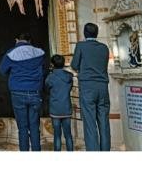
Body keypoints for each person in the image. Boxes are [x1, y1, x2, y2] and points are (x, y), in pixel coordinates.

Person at [0, 32, 45, 151]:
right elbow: (44, 68)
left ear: (16, 40)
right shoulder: (39, 53)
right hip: (35, 92)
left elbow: (2, 70)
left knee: (23, 127)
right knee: (34, 126)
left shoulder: (11, 53)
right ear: (30, 41)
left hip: (18, 92)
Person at [70, 23, 111, 151]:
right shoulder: (104, 48)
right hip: (103, 87)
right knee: (104, 122)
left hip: (88, 87)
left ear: (84, 33)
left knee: (90, 123)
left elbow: (74, 65)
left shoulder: (81, 46)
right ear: (97, 33)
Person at [45, 54, 74, 151]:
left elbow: (47, 90)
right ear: (63, 64)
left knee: (57, 136)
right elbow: (69, 88)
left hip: (55, 109)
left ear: (52, 64)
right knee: (68, 135)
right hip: (66, 108)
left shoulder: (50, 77)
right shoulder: (69, 76)